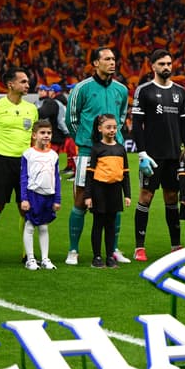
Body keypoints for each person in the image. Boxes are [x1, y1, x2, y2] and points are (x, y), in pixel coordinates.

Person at [64, 47, 129, 265]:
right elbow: (70, 119)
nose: (112, 62)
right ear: (95, 63)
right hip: (87, 152)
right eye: (107, 59)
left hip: (114, 153)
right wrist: (85, 140)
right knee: (81, 200)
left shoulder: (121, 89)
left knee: (114, 201)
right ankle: (73, 250)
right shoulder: (81, 89)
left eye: (113, 59)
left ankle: (113, 249)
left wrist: (112, 140)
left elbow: (120, 118)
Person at [0, 67, 39, 266]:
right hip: (2, 162)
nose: (27, 85)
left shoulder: (32, 109)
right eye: (23, 81)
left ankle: (26, 253)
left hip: (25, 164)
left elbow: (35, 139)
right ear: (10, 84)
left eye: (27, 82)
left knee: (25, 208)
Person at [130, 49, 185, 261]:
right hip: (152, 156)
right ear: (153, 66)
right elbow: (137, 124)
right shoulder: (144, 91)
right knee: (146, 196)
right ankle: (139, 247)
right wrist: (142, 153)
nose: (167, 67)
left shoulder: (180, 92)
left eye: (169, 63)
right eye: (162, 64)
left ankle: (175, 245)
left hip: (174, 155)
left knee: (172, 196)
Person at [84, 114, 131, 268]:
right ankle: (97, 257)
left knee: (111, 224)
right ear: (100, 129)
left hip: (115, 190)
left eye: (114, 127)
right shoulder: (96, 148)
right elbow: (90, 174)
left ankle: (110, 256)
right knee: (98, 223)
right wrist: (88, 195)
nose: (112, 130)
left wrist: (127, 194)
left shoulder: (120, 149)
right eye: (108, 127)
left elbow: (125, 174)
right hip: (99, 190)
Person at [20, 119, 61, 271]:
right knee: (30, 226)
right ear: (34, 135)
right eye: (42, 133)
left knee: (44, 227)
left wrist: (57, 199)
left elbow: (56, 178)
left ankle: (45, 258)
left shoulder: (54, 155)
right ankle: (30, 259)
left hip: (48, 196)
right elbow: (24, 177)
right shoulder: (28, 154)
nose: (46, 136)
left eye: (49, 133)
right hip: (33, 195)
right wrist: (24, 198)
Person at [35, 84, 69, 155]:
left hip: (55, 138)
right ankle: (64, 166)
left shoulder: (53, 103)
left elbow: (60, 121)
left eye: (50, 90)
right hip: (64, 137)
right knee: (63, 159)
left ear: (54, 92)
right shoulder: (64, 103)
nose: (48, 92)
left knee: (51, 159)